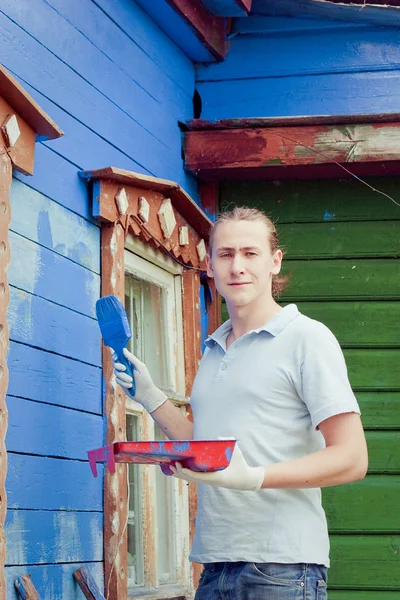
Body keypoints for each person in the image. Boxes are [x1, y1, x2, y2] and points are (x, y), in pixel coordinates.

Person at [114, 206, 368, 600]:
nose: (237, 267)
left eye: (250, 253)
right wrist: (149, 395)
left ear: (274, 261)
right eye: (226, 254)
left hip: (283, 569)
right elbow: (205, 447)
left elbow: (352, 458)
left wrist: (255, 477)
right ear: (210, 265)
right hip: (215, 565)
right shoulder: (214, 349)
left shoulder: (307, 339)